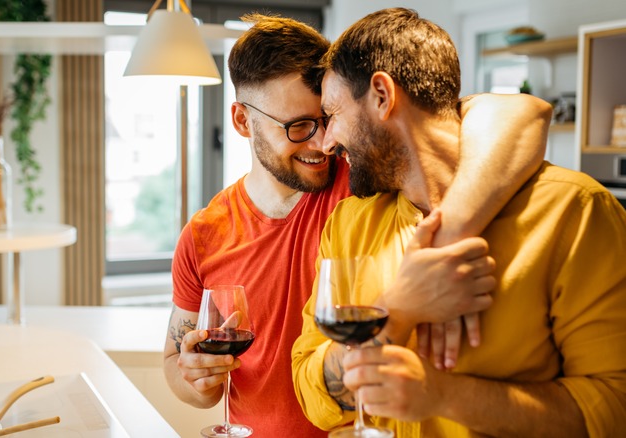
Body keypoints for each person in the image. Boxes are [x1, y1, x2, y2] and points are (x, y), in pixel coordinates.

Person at [166, 13, 552, 438]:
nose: (322, 143)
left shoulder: (365, 180)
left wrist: (453, 230)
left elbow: (522, 113)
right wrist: (198, 381)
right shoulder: (204, 234)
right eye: (299, 126)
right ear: (242, 121)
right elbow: (174, 364)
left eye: (327, 118)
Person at [291, 7, 626, 437]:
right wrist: (396, 312)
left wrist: (444, 395)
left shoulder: (576, 212)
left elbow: (614, 411)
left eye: (332, 113)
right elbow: (309, 390)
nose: (327, 142)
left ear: (381, 94)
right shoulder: (349, 223)